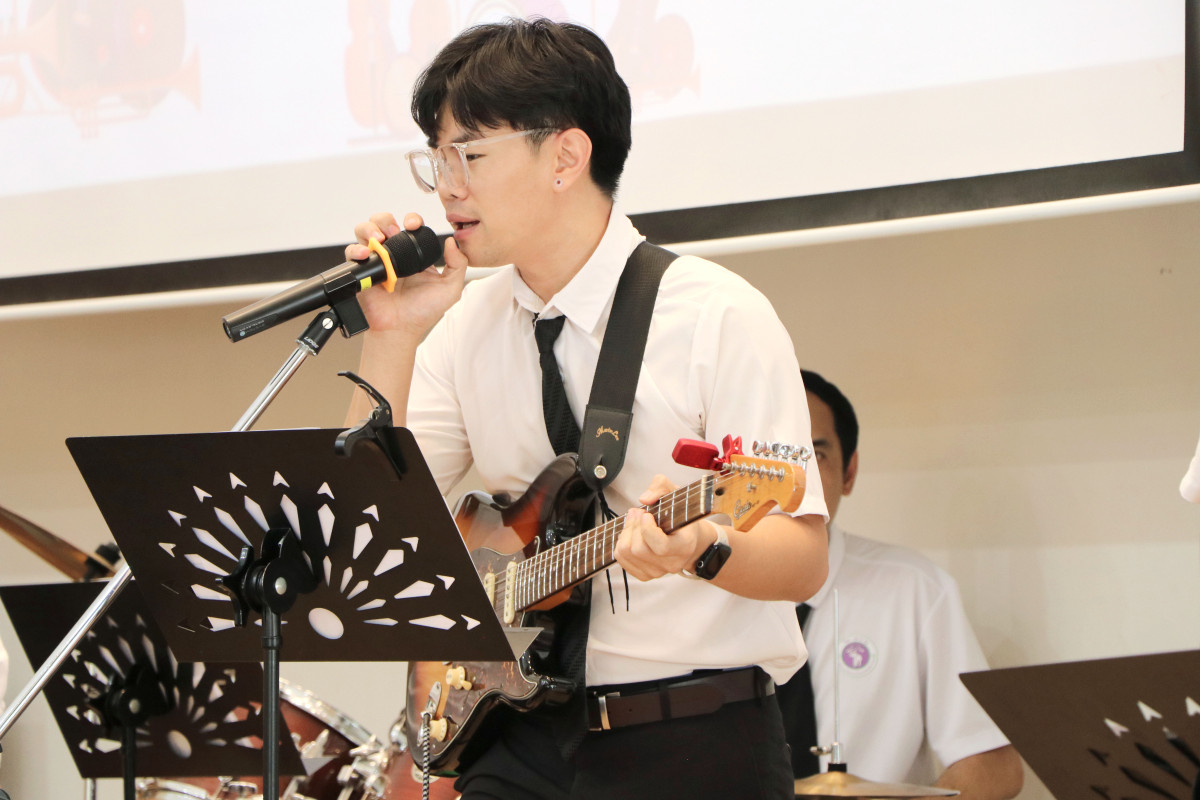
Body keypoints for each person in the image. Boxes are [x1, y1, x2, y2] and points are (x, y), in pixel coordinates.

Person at [342, 17, 829, 800]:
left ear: (566, 156)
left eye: (470, 154)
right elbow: (367, 527)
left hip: (691, 736)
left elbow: (805, 558)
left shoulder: (716, 314)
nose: (447, 186)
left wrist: (701, 546)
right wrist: (392, 334)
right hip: (517, 735)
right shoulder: (465, 327)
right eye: (436, 158)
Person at [776, 370, 1023, 798]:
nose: (792, 480)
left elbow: (992, 763)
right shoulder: (697, 592)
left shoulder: (915, 589)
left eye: (813, 456)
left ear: (849, 472)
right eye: (771, 459)